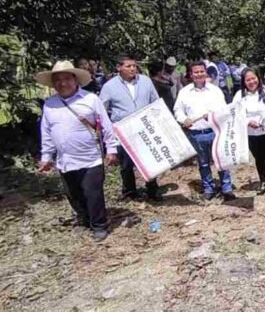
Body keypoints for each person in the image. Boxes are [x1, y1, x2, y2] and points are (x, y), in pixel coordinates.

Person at [36, 61, 118, 241]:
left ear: (75, 80)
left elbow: (106, 126)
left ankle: (99, 225)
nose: (62, 83)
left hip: (91, 158)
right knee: (73, 194)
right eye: (57, 80)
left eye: (66, 79)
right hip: (65, 160)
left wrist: (111, 150)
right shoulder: (50, 104)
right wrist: (46, 156)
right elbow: (47, 132)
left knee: (92, 193)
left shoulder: (90, 99)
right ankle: (85, 219)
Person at [100, 55, 162, 201]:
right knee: (126, 165)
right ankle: (130, 192)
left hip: (144, 129)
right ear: (119, 68)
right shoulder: (109, 86)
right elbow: (102, 110)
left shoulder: (145, 81)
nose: (132, 69)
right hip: (123, 132)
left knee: (150, 161)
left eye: (134, 66)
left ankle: (153, 190)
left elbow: (156, 102)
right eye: (128, 66)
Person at [173, 61, 234, 201]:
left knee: (221, 161)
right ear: (191, 74)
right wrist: (184, 119)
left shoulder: (215, 90)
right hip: (196, 134)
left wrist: (213, 115)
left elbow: (223, 110)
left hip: (215, 132)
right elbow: (177, 110)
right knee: (203, 163)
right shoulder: (184, 92)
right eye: (196, 72)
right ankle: (209, 189)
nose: (199, 74)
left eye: (202, 71)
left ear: (206, 72)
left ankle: (227, 188)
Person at [233, 68, 265, 196]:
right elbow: (236, 112)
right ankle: (263, 182)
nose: (251, 81)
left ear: (258, 78)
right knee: (258, 158)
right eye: (248, 80)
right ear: (244, 82)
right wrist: (248, 121)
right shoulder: (239, 95)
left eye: (253, 78)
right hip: (251, 133)